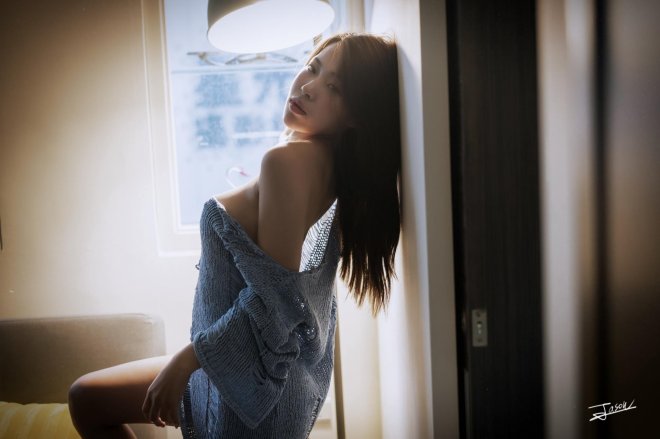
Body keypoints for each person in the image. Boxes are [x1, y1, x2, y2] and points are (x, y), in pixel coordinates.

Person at [68, 32, 402, 438]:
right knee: (86, 397)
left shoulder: (288, 162)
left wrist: (187, 359)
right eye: (312, 68)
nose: (308, 87)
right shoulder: (326, 165)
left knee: (86, 399)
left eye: (334, 87)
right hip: (252, 373)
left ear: (356, 115)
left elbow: (275, 298)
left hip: (250, 387)